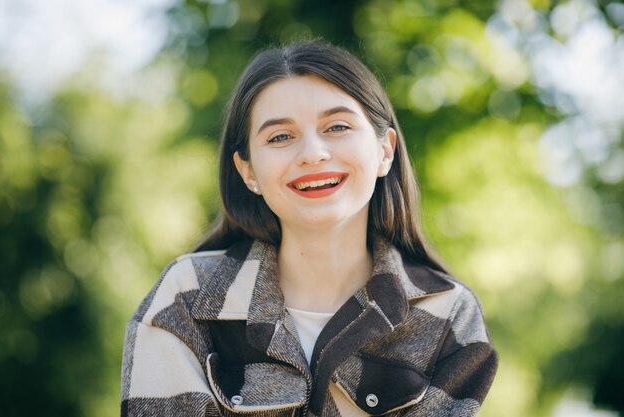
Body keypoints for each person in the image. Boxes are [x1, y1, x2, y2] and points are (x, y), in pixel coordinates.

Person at [120, 41, 498, 417]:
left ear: (385, 151)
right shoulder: (185, 297)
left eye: (337, 126)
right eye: (280, 137)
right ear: (248, 171)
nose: (312, 153)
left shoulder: (450, 314)